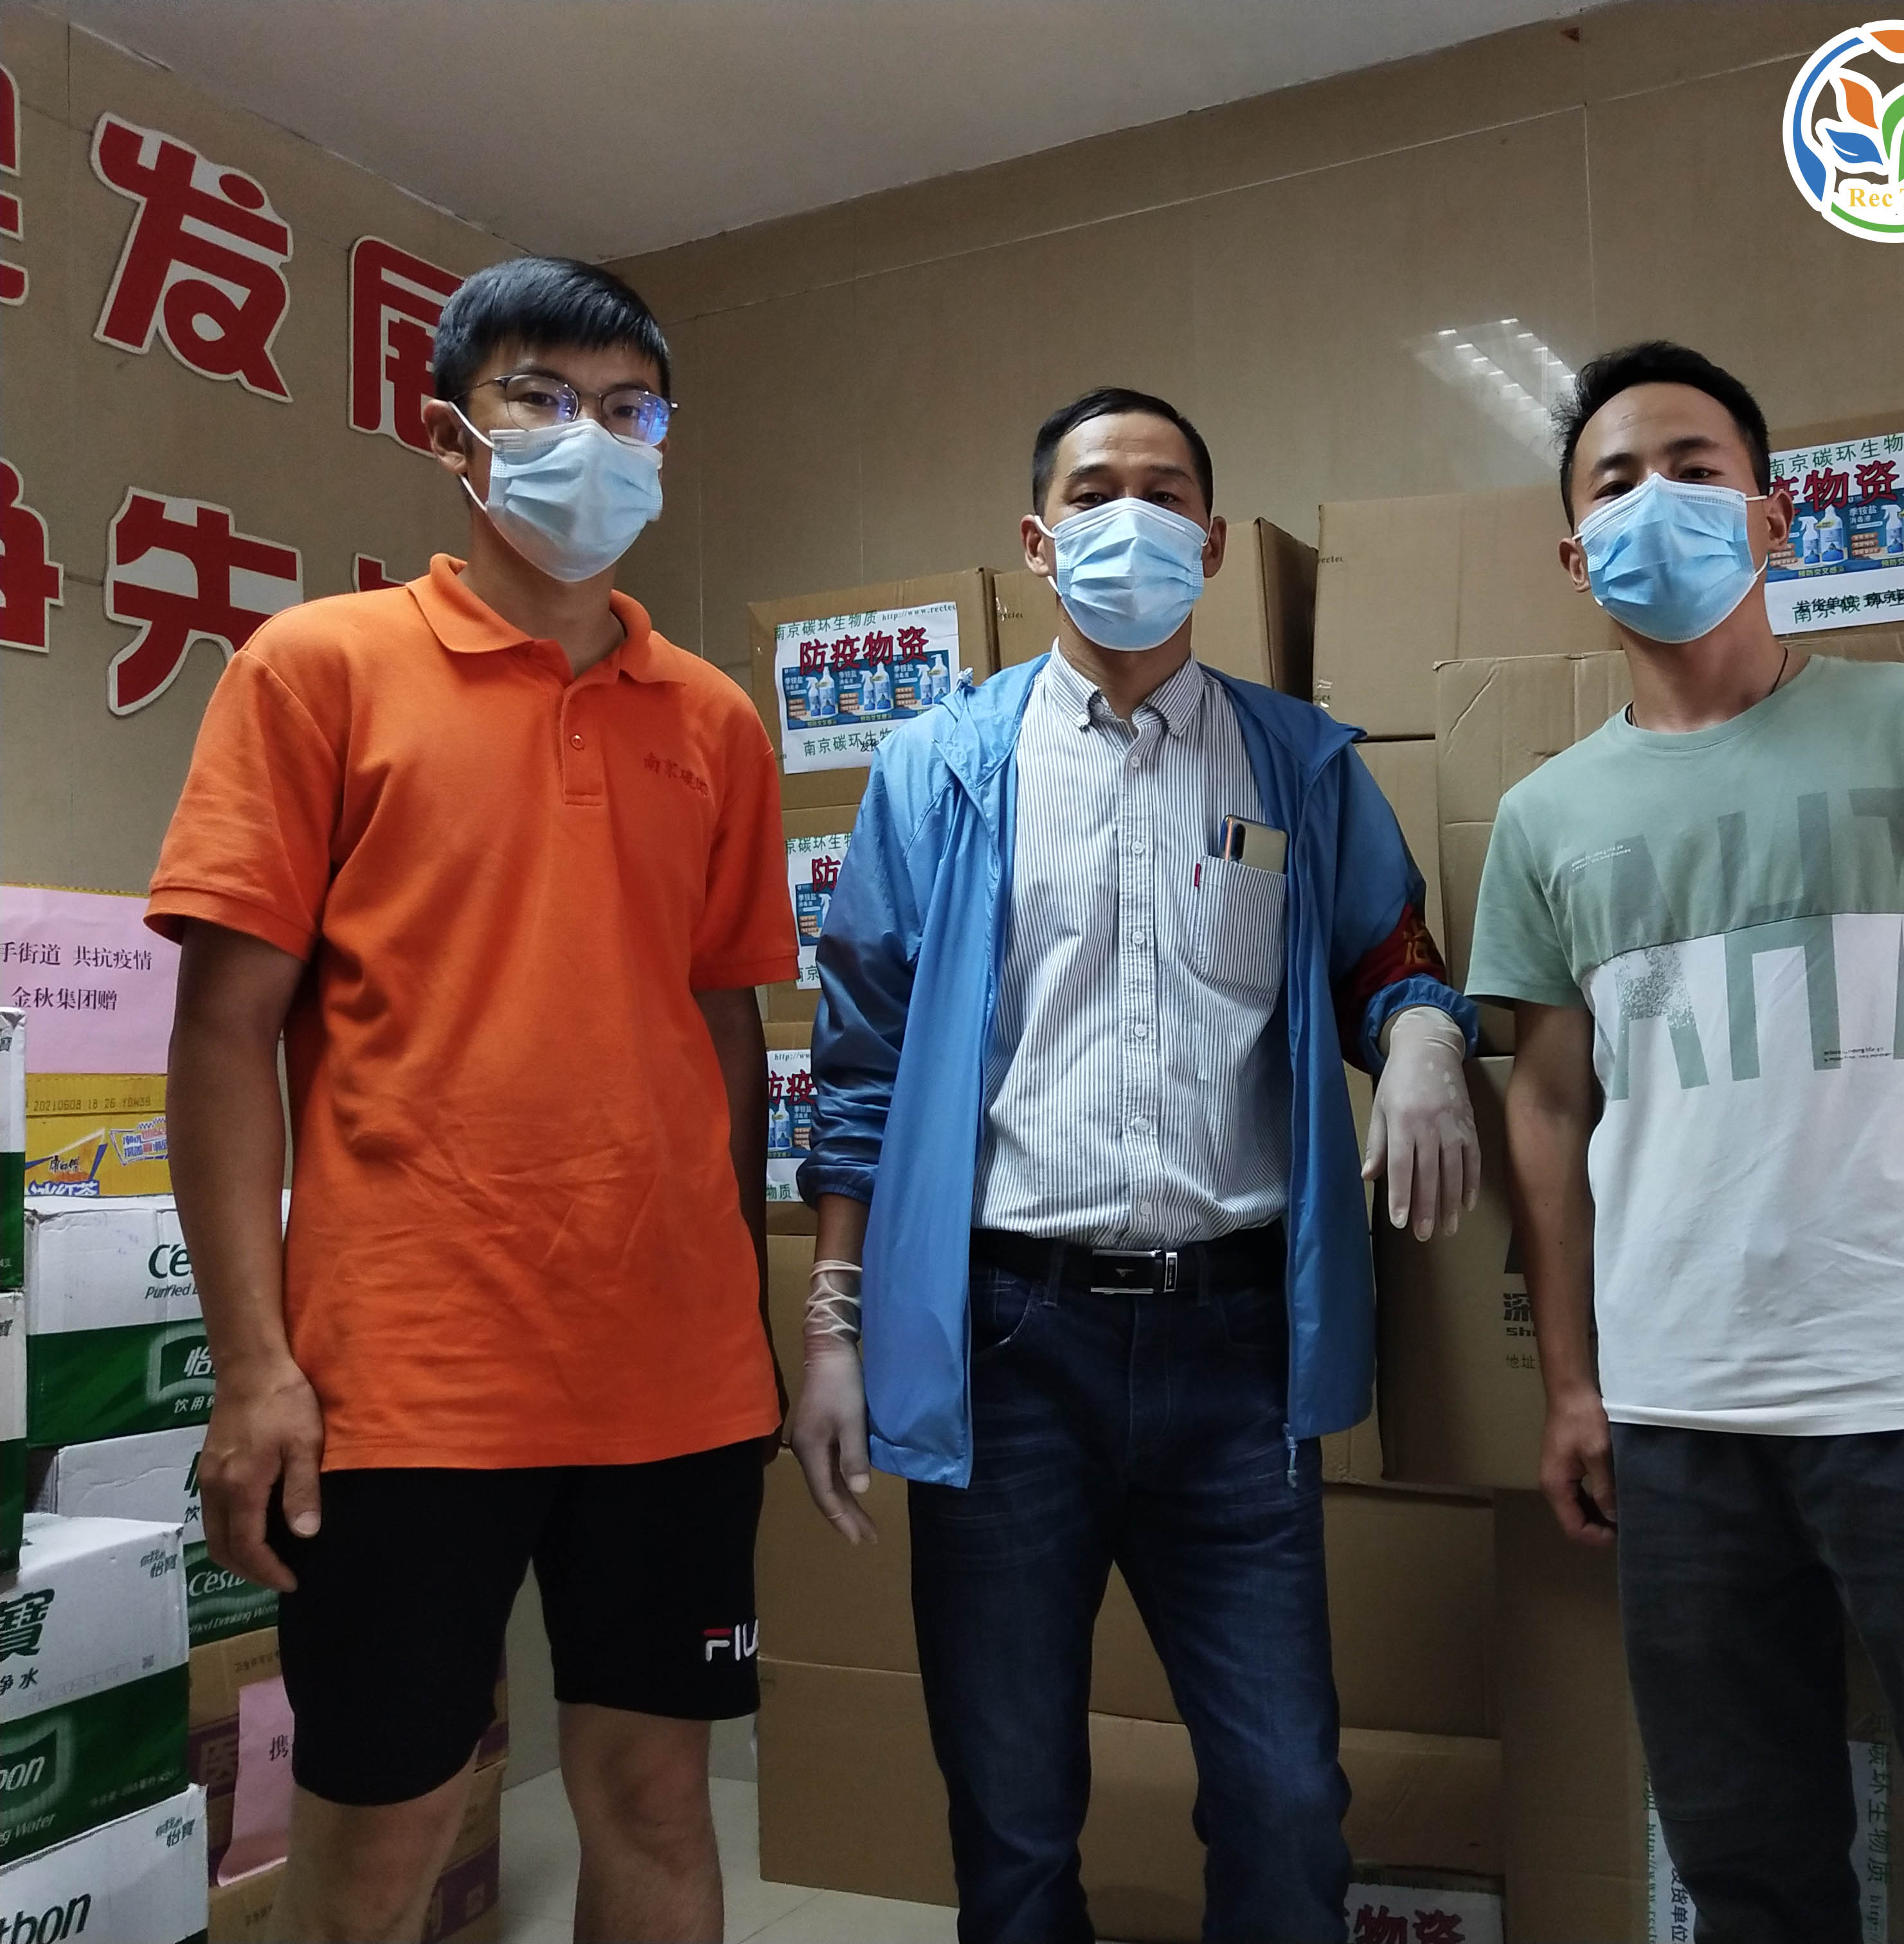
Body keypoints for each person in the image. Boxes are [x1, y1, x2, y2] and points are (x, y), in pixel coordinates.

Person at [786, 386, 1481, 1942]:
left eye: (1167, 494)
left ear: (1213, 544)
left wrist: (1429, 1037)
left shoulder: (1297, 765)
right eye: (1095, 493)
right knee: (1012, 1811)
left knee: (1288, 1798)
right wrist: (832, 1325)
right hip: (1009, 1342)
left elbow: (1391, 956)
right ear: (1039, 543)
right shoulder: (939, 770)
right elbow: (861, 1064)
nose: (1133, 521)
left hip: (1232, 1349)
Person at [152, 256, 792, 1944]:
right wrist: (254, 1365)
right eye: (543, 398)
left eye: (630, 409)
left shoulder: (715, 721)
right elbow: (223, 1034)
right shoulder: (315, 668)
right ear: (452, 435)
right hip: (405, 1378)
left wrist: (742, 1309)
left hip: (671, 1375)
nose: (593, 437)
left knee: (657, 1801)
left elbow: (721, 1025)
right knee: (382, 1838)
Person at [1467, 340, 1904, 1944]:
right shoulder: (1545, 817)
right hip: (1676, 1417)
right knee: (1745, 1864)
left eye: (1695, 468)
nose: (1657, 501)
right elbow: (1545, 1106)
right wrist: (1572, 1385)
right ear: (1575, 556)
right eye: (1616, 481)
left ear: (1772, 518)